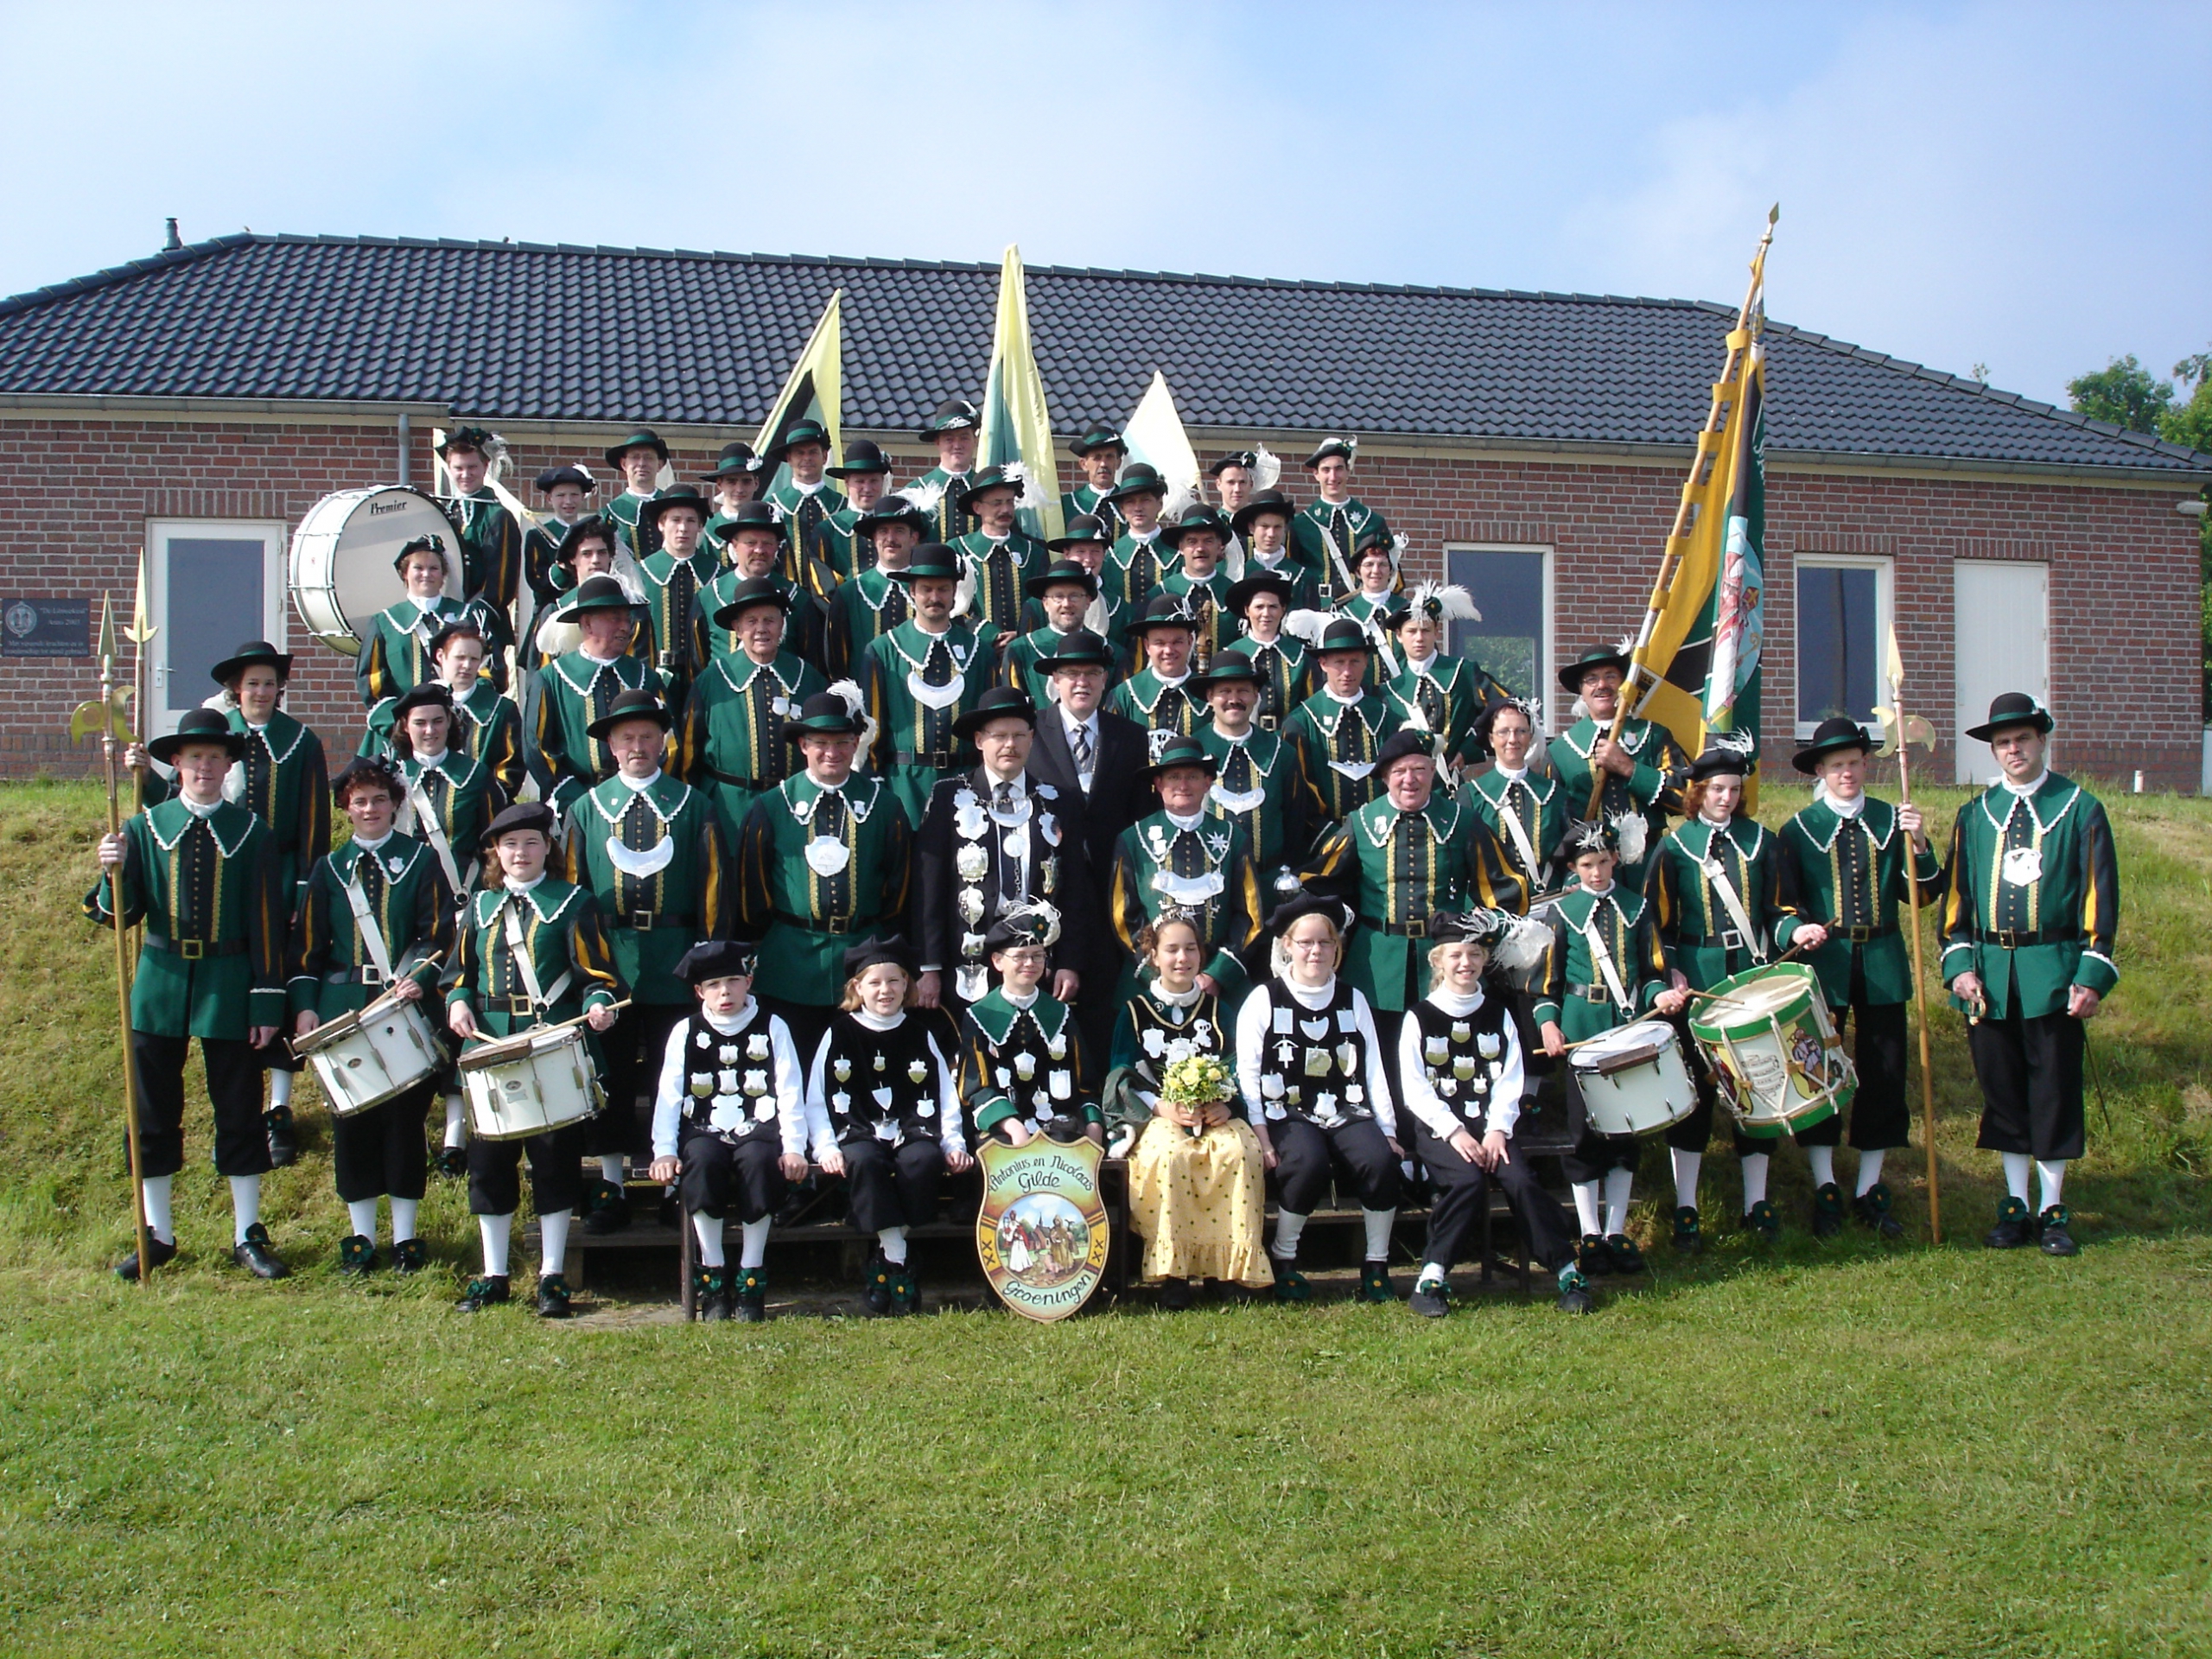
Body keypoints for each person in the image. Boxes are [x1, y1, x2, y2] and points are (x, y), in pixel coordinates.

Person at [90, 708, 290, 1281]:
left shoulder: (252, 833)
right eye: (195, 757)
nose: (205, 767)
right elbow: (119, 915)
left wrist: (265, 1000)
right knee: (151, 1109)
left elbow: (268, 923)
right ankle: (156, 1232)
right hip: (161, 982)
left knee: (238, 1108)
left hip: (229, 984)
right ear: (176, 763)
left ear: (228, 766)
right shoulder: (142, 828)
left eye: (215, 757)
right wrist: (112, 872)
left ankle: (247, 1232)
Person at [1940, 692, 2119, 1258]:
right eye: (2002, 743)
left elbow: (2100, 900)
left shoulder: (2081, 809)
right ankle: (2015, 1205)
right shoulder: (1974, 815)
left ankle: (2053, 1209)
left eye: (2021, 739)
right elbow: (1956, 906)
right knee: (2004, 1093)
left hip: (2053, 976)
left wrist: (2091, 974)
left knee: (2053, 1092)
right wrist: (1960, 968)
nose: (2013, 750)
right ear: (1993, 751)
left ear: (2041, 740)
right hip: (1990, 979)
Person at [138, 639, 330, 1166]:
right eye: (252, 684)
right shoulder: (216, 741)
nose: (261, 692)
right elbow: (174, 808)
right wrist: (142, 776)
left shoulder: (301, 742)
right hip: (223, 885)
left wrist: (303, 891)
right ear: (236, 689)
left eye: (269, 683)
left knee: (279, 979)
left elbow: (313, 824)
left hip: (281, 879)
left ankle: (279, 1105)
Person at [565, 690, 733, 1236]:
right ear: (611, 747)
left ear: (663, 743)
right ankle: (610, 1186)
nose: (637, 746)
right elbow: (574, 898)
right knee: (608, 1077)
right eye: (626, 738)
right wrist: (591, 972)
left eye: (646, 737)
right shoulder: (586, 810)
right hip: (610, 965)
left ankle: (672, 1184)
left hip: (676, 962)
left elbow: (713, 886)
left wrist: (706, 963)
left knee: (677, 1074)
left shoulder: (694, 805)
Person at [447, 802, 622, 1318]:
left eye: (530, 843)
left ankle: (551, 1276)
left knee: (554, 1162)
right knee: (489, 1165)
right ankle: (494, 1274)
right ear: (495, 853)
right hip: (489, 1047)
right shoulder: (480, 907)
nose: (520, 853)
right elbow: (460, 973)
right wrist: (457, 1000)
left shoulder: (573, 902)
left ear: (548, 848)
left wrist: (598, 1004)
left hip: (550, 1046)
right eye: (509, 845)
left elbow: (598, 976)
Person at [1776, 717, 1946, 1241]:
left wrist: (1920, 844)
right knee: (1819, 1072)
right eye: (1836, 765)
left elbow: (1922, 895)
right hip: (1824, 967)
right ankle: (1825, 1185)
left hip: (1882, 963)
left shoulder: (1893, 820)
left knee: (1885, 1074)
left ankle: (1870, 1187)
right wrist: (1797, 928)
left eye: (1853, 763)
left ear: (1866, 764)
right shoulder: (1798, 830)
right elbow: (1783, 904)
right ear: (1821, 771)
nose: (1846, 772)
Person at [289, 758, 455, 1275]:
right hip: (343, 1009)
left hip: (403, 1004)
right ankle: (360, 1239)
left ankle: (406, 1239)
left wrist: (420, 977)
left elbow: (439, 932)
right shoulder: (329, 869)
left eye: (379, 799)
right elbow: (308, 949)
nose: (370, 809)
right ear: (345, 808)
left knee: (404, 1122)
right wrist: (306, 1005)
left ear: (395, 804)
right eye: (359, 801)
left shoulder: (421, 860)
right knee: (352, 1124)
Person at [1397, 911, 1593, 1316]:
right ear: (1438, 961)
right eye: (1455, 955)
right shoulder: (1419, 1017)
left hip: (1493, 1129)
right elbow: (1414, 1087)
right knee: (1466, 1182)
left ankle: (1567, 1273)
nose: (1465, 963)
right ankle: (1430, 1279)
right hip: (1440, 1130)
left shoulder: (1498, 1013)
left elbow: (1510, 1077)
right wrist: (1454, 1131)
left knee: (1521, 1181)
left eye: (1474, 954)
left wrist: (1498, 1129)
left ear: (1485, 960)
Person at [1649, 743, 1806, 1247]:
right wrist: (1671, 971)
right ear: (1699, 792)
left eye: (1735, 789)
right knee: (1694, 1096)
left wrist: (1796, 932)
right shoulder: (1675, 848)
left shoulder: (1763, 842)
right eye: (1717, 789)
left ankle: (1756, 1203)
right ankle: (1687, 1207)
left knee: (1756, 1086)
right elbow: (1658, 926)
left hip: (1752, 977)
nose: (1727, 798)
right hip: (1698, 981)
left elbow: (1779, 912)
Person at [1304, 732, 1529, 1073]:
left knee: (1444, 1057)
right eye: (1399, 771)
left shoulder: (1462, 820)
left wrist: (1485, 931)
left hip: (1444, 961)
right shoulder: (1361, 822)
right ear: (1385, 777)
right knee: (1380, 1057)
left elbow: (1504, 886)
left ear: (1433, 772)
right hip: (1377, 965)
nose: (1410, 780)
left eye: (1419, 770)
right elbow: (1322, 881)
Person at [1234, 893, 1401, 1305]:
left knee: (1379, 1160)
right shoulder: (1264, 998)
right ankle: (1285, 1257)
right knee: (1306, 1162)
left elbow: (1374, 1068)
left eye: (1325, 942)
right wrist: (1261, 1134)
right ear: (1287, 945)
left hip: (1347, 1107)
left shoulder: (1353, 998)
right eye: (1306, 942)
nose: (1316, 951)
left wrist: (1388, 1130)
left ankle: (1376, 1264)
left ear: (1337, 948)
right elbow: (1248, 1073)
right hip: (1285, 1110)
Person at [1533, 818, 1681, 1279]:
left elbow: (1651, 970)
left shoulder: (1637, 907)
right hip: (1582, 1026)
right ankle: (1590, 1232)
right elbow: (1546, 983)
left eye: (1602, 861)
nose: (1596, 872)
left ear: (1615, 859)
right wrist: (1549, 1025)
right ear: (1573, 869)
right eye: (1586, 865)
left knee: (1625, 1132)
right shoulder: (1562, 914)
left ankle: (1616, 1231)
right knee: (1584, 1135)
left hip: (1628, 1027)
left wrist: (1659, 994)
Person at [735, 690, 916, 1060]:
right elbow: (753, 887)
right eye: (820, 743)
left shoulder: (885, 805)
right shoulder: (771, 805)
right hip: (790, 963)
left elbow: (899, 883)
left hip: (863, 961)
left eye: (842, 742)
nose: (832, 752)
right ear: (803, 745)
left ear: (856, 743)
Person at [1104, 910, 1271, 1304]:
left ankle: (1225, 1270)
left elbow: (1240, 1066)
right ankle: (1173, 1274)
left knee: (1239, 1151)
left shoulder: (1220, 1010)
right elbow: (1121, 1074)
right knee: (1169, 1155)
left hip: (1214, 1112)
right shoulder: (1134, 1011)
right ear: (1154, 956)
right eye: (1172, 950)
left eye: (1191, 949)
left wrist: (1226, 1104)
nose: (1182, 958)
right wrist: (1161, 1108)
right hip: (1158, 1113)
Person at [805, 936, 972, 1315]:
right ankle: (899, 1263)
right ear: (857, 988)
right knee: (865, 1163)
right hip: (856, 1129)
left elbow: (945, 1095)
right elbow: (816, 1098)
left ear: (907, 984)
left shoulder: (919, 1032)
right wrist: (826, 1146)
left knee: (922, 1161)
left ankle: (883, 1261)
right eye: (875, 982)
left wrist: (953, 1143)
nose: (886, 990)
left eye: (894, 981)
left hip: (913, 1127)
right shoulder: (839, 1033)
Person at [647, 938, 810, 1323]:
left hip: (759, 1127)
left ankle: (751, 1274)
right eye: (714, 985)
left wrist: (794, 1146)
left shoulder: (773, 1026)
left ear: (748, 982)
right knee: (702, 1163)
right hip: (702, 1127)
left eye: (733, 981)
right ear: (699, 991)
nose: (725, 992)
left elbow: (790, 1090)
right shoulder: (685, 1031)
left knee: (760, 1162)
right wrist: (664, 1149)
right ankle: (714, 1273)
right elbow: (669, 1094)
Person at [385, 678, 508, 1176]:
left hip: (463, 909)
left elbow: (494, 843)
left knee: (460, 1013)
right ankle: (410, 1127)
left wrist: (482, 901)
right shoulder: (391, 777)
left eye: (438, 721)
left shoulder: (475, 775)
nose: (430, 730)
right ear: (405, 727)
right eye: (420, 723)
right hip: (410, 918)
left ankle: (455, 1136)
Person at [912, 686, 1095, 1014]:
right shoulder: (947, 798)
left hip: (1038, 960)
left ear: (1032, 738)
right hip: (969, 961)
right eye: (999, 736)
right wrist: (929, 966)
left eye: (1019, 735)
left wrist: (1070, 962)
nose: (1010, 745)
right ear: (979, 740)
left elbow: (1076, 890)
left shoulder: (1059, 801)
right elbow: (929, 888)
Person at [1106, 736, 1264, 1007]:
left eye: (1192, 776)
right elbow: (1123, 916)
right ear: (1158, 784)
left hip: (1219, 986)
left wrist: (1217, 974)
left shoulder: (1234, 839)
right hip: (1150, 983)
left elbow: (1250, 915)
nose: (1183, 785)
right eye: (1174, 777)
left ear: (1207, 782)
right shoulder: (1132, 840)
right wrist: (1156, 973)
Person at [673, 575, 828, 845]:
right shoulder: (712, 679)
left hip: (794, 805)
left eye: (769, 620)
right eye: (751, 621)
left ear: (782, 623)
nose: (761, 629)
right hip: (729, 810)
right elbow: (688, 752)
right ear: (737, 628)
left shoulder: (807, 677)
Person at [857, 544, 1003, 826]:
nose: (934, 597)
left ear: (954, 592)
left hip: (967, 781)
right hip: (904, 785)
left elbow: (989, 723)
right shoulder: (883, 650)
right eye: (926, 589)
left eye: (943, 589)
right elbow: (873, 727)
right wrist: (873, 782)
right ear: (912, 591)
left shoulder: (980, 652)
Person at [1548, 645, 1688, 894]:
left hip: (1651, 869)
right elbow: (1552, 827)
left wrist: (1629, 767)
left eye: (1610, 676)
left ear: (1623, 683)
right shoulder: (1560, 752)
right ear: (1581, 690)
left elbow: (1686, 799)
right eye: (1591, 679)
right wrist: (1570, 876)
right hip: (1591, 876)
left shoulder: (1654, 736)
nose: (1602, 685)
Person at [956, 904, 1099, 1147]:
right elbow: (976, 1088)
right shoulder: (978, 1016)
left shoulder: (1061, 1014)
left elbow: (1086, 1083)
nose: (1030, 963)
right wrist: (1012, 1125)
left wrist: (1094, 1124)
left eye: (1038, 955)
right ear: (997, 961)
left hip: (1057, 1126)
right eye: (1020, 956)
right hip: (1002, 1129)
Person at [528, 575, 668, 820]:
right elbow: (537, 747)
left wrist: (646, 784)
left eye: (627, 619)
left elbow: (668, 739)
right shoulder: (552, 678)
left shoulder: (646, 677)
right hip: (574, 802)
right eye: (615, 618)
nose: (625, 627)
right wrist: (572, 795)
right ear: (587, 624)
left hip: (640, 796)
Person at [356, 533, 509, 706]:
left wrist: (466, 702)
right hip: (405, 719)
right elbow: (372, 682)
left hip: (461, 716)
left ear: (443, 574)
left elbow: (492, 670)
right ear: (405, 573)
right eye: (418, 568)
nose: (426, 574)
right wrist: (401, 717)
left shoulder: (471, 615)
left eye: (434, 568)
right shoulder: (384, 623)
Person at [1193, 648, 1307, 870]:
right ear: (1210, 696)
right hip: (1208, 880)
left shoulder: (1281, 753)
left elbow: (1295, 823)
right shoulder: (1194, 752)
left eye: (1243, 691)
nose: (1234, 700)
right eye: (1225, 691)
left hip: (1269, 879)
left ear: (1256, 695)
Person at [1281, 616, 1402, 825]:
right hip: (1321, 839)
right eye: (1339, 662)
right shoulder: (1300, 723)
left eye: (1355, 661)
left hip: (1380, 835)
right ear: (1323, 664)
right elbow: (1299, 796)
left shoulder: (1388, 720)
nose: (1347, 672)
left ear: (1366, 662)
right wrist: (1332, 837)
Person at [1382, 583, 1503, 773]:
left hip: (1450, 782)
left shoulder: (1462, 672)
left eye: (1426, 630)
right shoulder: (1390, 691)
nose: (1419, 638)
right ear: (1399, 636)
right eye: (1412, 631)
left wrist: (1469, 749)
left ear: (1436, 633)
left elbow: (1504, 709)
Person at [1462, 699, 1567, 900]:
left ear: (1530, 737)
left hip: (1548, 900)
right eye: (1503, 732)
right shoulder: (1471, 795)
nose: (1513, 739)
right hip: (1494, 907)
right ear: (1491, 739)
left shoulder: (1555, 794)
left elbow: (1572, 854)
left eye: (1521, 731)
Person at [696, 499, 815, 664]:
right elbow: (697, 663)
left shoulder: (798, 598)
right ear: (735, 545)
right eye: (750, 543)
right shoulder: (708, 597)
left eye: (767, 543)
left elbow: (810, 661)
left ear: (777, 547)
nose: (759, 550)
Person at [823, 493, 925, 677]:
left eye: (899, 531)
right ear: (874, 538)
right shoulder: (849, 593)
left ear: (913, 538)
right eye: (883, 531)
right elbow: (837, 657)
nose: (890, 538)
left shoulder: (930, 589)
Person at [633, 486, 722, 696]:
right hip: (653, 680)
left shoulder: (719, 576)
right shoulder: (639, 575)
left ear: (700, 526)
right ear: (661, 524)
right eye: (675, 520)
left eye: (691, 521)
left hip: (706, 680)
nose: (683, 528)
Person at [950, 465, 1047, 639]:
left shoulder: (1034, 552)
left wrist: (1020, 636)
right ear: (977, 507)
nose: (1006, 510)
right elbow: (952, 603)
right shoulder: (957, 550)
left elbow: (1044, 603)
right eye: (997, 503)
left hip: (1024, 646)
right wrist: (992, 636)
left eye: (1010, 502)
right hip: (974, 646)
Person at [1290, 437, 1389, 603]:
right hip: (1315, 609)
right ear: (1316, 474)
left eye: (1339, 469)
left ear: (1348, 470)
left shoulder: (1373, 523)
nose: (1333, 476)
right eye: (1326, 470)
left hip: (1361, 608)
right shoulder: (1300, 525)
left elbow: (1391, 577)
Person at [437, 426, 523, 612]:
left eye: (472, 467)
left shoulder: (498, 517)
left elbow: (500, 588)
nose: (465, 475)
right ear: (449, 468)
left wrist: (472, 615)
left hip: (482, 617)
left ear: (485, 466)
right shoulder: (443, 512)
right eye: (458, 468)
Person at [1004, 556, 1103, 709]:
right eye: (1058, 597)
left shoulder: (1106, 649)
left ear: (1088, 602)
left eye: (1074, 596)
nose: (1067, 604)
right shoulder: (1021, 651)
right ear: (1045, 603)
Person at [1221, 565, 1310, 730]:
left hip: (1291, 738)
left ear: (1283, 609)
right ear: (1247, 610)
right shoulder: (1231, 655)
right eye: (1259, 607)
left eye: (1273, 606)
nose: (1266, 614)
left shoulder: (1301, 655)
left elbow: (1308, 707)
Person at [1109, 595, 1207, 743]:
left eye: (1177, 642)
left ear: (1190, 641)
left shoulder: (1208, 694)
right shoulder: (1124, 695)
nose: (1169, 650)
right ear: (1147, 646)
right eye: (1160, 643)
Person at [761, 417, 848, 574]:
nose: (806, 458)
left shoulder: (843, 505)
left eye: (813, 452)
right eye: (799, 453)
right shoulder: (770, 507)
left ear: (825, 457)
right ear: (789, 458)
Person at [1156, 505, 1238, 669]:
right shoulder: (1160, 593)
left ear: (1220, 546)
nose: (1200, 548)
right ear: (1181, 547)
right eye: (1192, 542)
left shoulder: (1235, 595)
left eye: (1208, 541)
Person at [904, 397, 982, 545]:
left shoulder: (986, 489)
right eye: (949, 439)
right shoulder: (915, 491)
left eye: (964, 438)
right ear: (937, 442)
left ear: (975, 441)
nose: (957, 445)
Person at [816, 437, 896, 580]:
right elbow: (823, 581)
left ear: (882, 481)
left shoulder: (896, 526)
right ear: (847, 482)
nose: (867, 488)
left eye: (873, 481)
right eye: (860, 481)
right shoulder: (828, 531)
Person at [523, 462, 599, 613]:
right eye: (561, 495)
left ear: (583, 497)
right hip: (551, 612)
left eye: (574, 495)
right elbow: (537, 582)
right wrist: (561, 569)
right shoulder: (537, 536)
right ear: (549, 499)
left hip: (587, 609)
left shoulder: (592, 533)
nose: (568, 501)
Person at [1230, 489, 1320, 614]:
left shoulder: (1303, 578)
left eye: (1277, 527)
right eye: (1265, 526)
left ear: (1285, 528)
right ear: (1251, 528)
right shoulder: (1238, 575)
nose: (1271, 534)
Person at [1103, 463, 1174, 615]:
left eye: (1145, 500)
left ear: (1160, 504)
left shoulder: (1177, 553)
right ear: (1122, 508)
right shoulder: (1111, 557)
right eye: (1130, 502)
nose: (1138, 508)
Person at [603, 428, 671, 557]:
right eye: (635, 457)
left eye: (648, 458)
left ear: (660, 465)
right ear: (624, 464)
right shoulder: (609, 514)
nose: (641, 464)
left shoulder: (672, 505)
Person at [1060, 423, 1128, 540]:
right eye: (1097, 458)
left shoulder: (1130, 502)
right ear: (1084, 464)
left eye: (1109, 457)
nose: (1103, 464)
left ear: (1118, 462)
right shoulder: (1067, 504)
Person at [701, 441, 765, 545]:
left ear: (756, 483)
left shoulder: (767, 526)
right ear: (719, 484)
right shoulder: (706, 530)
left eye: (746, 481)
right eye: (731, 482)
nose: (739, 489)